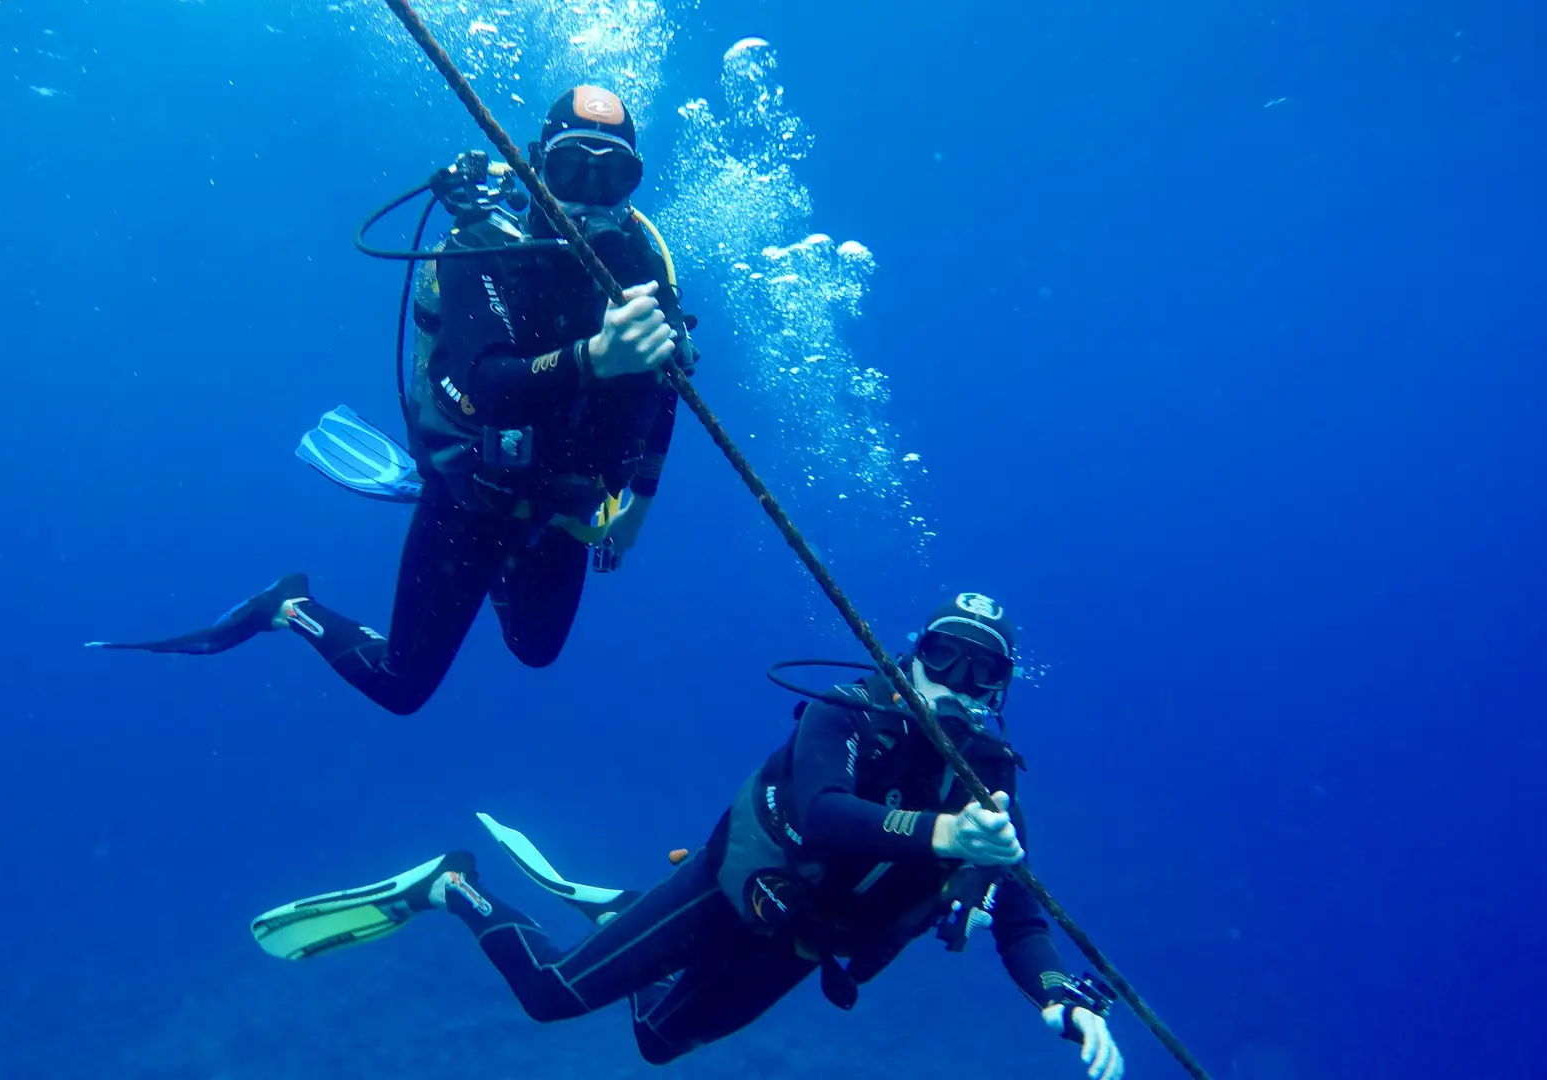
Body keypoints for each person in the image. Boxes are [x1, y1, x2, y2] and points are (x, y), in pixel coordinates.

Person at [248, 593, 1125, 1078]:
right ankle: (452, 885)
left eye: (984, 670)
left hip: (803, 943)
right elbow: (823, 815)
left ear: (1003, 688)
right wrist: (944, 835)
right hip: (728, 889)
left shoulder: (992, 784)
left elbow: (1017, 915)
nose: (959, 683)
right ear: (914, 654)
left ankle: (624, 910)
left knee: (656, 1044)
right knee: (552, 996)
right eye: (945, 656)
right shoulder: (848, 712)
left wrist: (1059, 996)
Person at [87, 85, 696, 715]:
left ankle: (501, 565)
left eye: (612, 176)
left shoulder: (641, 267)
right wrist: (594, 358)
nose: (591, 198)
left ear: (634, 184)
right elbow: (489, 383)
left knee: (535, 649)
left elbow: (665, 387)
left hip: (563, 504)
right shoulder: (483, 246)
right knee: (400, 685)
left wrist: (638, 508)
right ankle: (288, 606)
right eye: (572, 171)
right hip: (473, 498)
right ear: (539, 168)